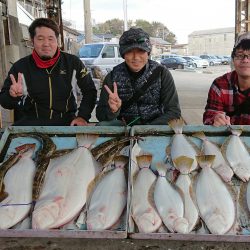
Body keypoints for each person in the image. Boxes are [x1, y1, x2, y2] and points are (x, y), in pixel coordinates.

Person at [0, 18, 97, 126]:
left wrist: (82, 116)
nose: (46, 44)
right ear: (32, 41)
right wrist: (12, 95)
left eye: (51, 39)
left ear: (57, 41)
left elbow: (90, 91)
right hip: (29, 125)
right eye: (40, 39)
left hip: (67, 124)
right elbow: (4, 101)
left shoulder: (73, 63)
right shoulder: (20, 67)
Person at [96, 27, 181, 126]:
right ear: (123, 54)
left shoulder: (162, 73)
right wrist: (112, 110)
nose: (136, 57)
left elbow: (174, 112)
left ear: (148, 53)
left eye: (141, 51)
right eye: (130, 51)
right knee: (102, 125)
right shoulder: (112, 76)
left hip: (156, 127)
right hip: (124, 127)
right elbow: (100, 116)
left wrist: (147, 130)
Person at [203, 32, 250, 126]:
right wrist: (215, 119)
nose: (245, 60)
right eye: (240, 55)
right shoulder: (220, 85)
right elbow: (209, 116)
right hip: (227, 138)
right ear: (233, 60)